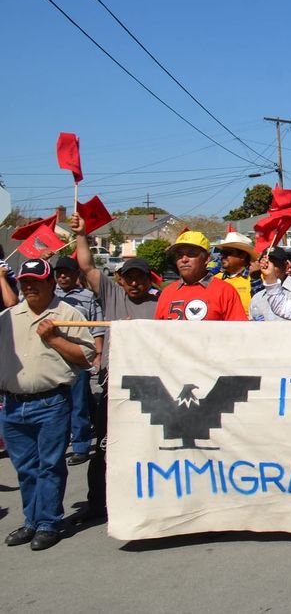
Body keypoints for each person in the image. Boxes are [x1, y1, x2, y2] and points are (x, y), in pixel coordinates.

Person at [67, 213, 158, 524]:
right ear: (120, 279)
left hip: (147, 385)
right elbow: (87, 267)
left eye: (140, 278)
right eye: (128, 277)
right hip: (113, 383)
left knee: (144, 446)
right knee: (104, 447)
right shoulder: (112, 294)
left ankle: (142, 498)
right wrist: (81, 235)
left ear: (150, 280)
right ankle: (97, 504)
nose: (134, 283)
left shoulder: (159, 304)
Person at [0, 258, 96, 551]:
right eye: (24, 281)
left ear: (50, 283)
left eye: (36, 281)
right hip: (13, 405)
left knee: (50, 466)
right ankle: (32, 521)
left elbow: (85, 358)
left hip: (51, 402)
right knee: (26, 468)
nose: (29, 286)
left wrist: (54, 338)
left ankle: (48, 522)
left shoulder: (68, 314)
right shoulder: (7, 317)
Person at [53, 256, 104, 466]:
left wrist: (98, 356)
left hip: (79, 359)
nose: (62, 276)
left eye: (67, 272)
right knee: (55, 408)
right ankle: (57, 447)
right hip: (53, 361)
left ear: (76, 274)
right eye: (59, 273)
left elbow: (97, 327)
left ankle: (81, 446)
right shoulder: (49, 296)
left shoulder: (88, 297)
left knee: (79, 405)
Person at [155, 231, 247, 322]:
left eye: (191, 254)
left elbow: (239, 332)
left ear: (207, 258)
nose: (184, 259)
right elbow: (156, 331)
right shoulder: (167, 293)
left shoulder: (225, 291)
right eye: (179, 255)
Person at [213, 230, 256, 317]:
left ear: (243, 256)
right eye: (222, 253)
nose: (222, 256)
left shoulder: (257, 279)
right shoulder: (215, 279)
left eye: (227, 253)